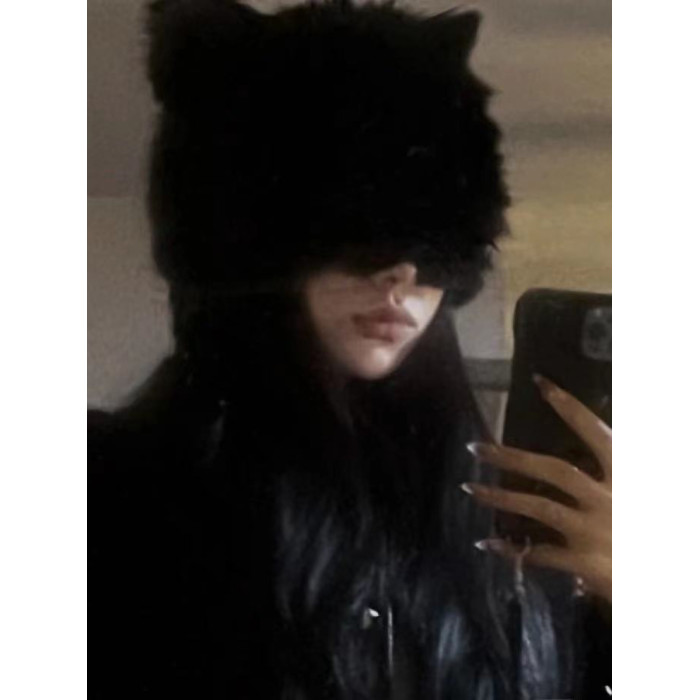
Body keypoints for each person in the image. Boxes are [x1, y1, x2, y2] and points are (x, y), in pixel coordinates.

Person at [89, 0, 611, 698]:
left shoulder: (500, 522)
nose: (399, 274)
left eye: (430, 245)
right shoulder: (109, 495)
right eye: (354, 234)